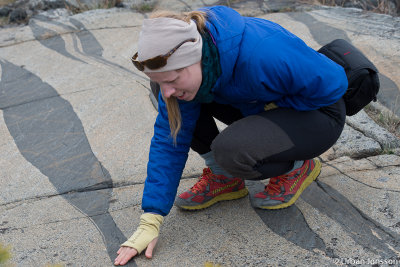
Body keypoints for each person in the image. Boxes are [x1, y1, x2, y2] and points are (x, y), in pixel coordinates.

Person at [114, 5, 347, 266]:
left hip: (320, 113)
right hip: (257, 102)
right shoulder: (195, 65)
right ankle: (225, 179)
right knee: (169, 98)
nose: (168, 90)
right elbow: (170, 138)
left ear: (194, 58)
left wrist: (272, 111)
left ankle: (298, 167)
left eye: (174, 78)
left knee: (233, 150)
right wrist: (151, 219)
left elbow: (335, 83)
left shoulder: (261, 53)